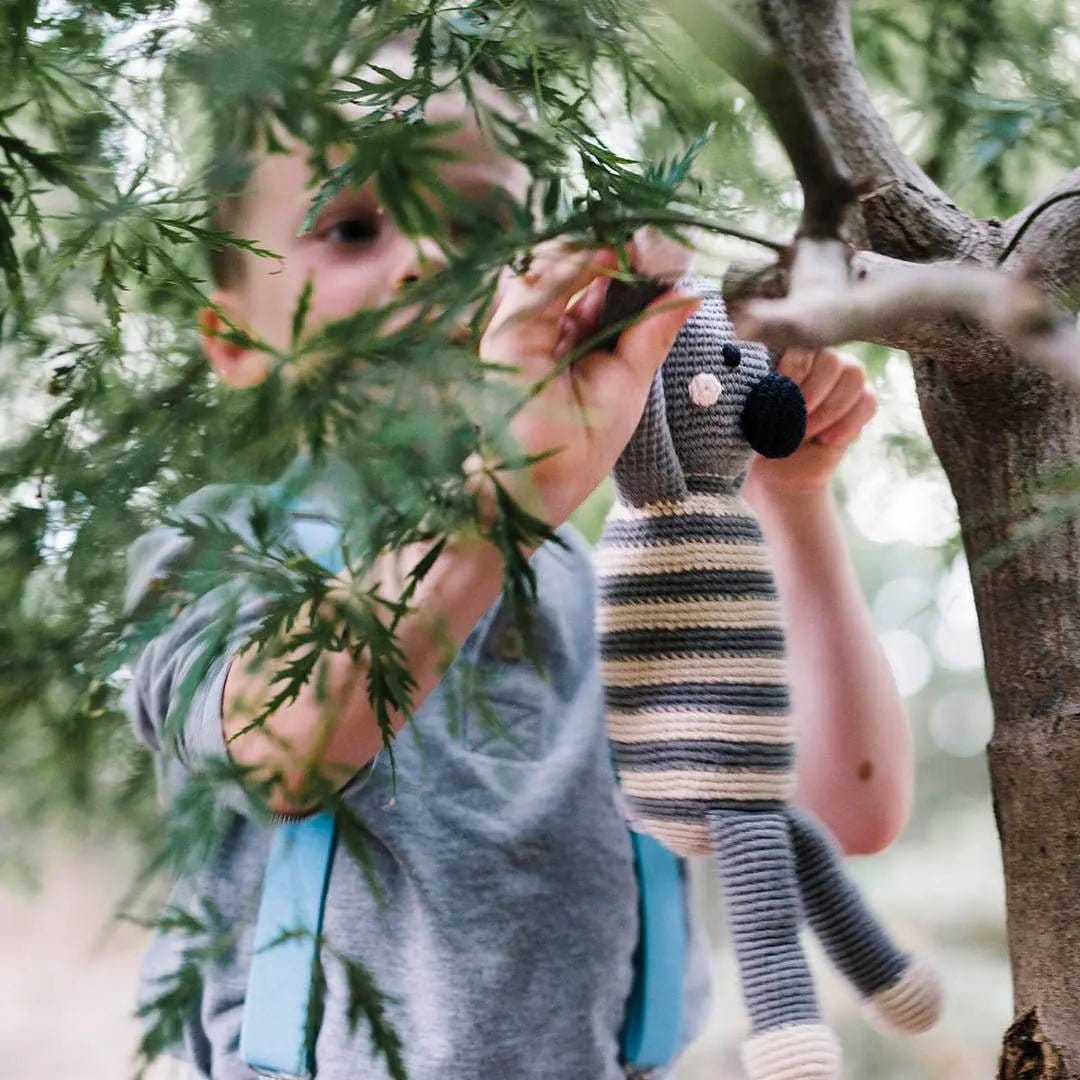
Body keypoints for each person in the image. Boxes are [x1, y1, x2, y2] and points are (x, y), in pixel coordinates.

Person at [123, 41, 911, 1080]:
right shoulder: (212, 549)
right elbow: (290, 739)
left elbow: (840, 807)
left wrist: (792, 503)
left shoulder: (615, 587)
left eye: (484, 227)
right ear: (235, 346)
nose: (426, 263)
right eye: (353, 226)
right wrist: (511, 483)